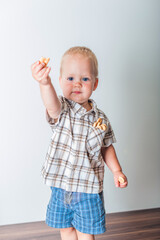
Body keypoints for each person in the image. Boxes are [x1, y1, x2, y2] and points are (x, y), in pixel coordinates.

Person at [31, 46, 128, 240]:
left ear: (95, 83)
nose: (77, 84)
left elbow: (106, 146)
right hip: (61, 187)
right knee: (66, 229)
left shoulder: (101, 119)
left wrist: (117, 171)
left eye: (84, 79)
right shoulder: (62, 110)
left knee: (85, 232)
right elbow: (50, 104)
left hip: (88, 189)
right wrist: (44, 83)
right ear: (60, 81)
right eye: (70, 78)